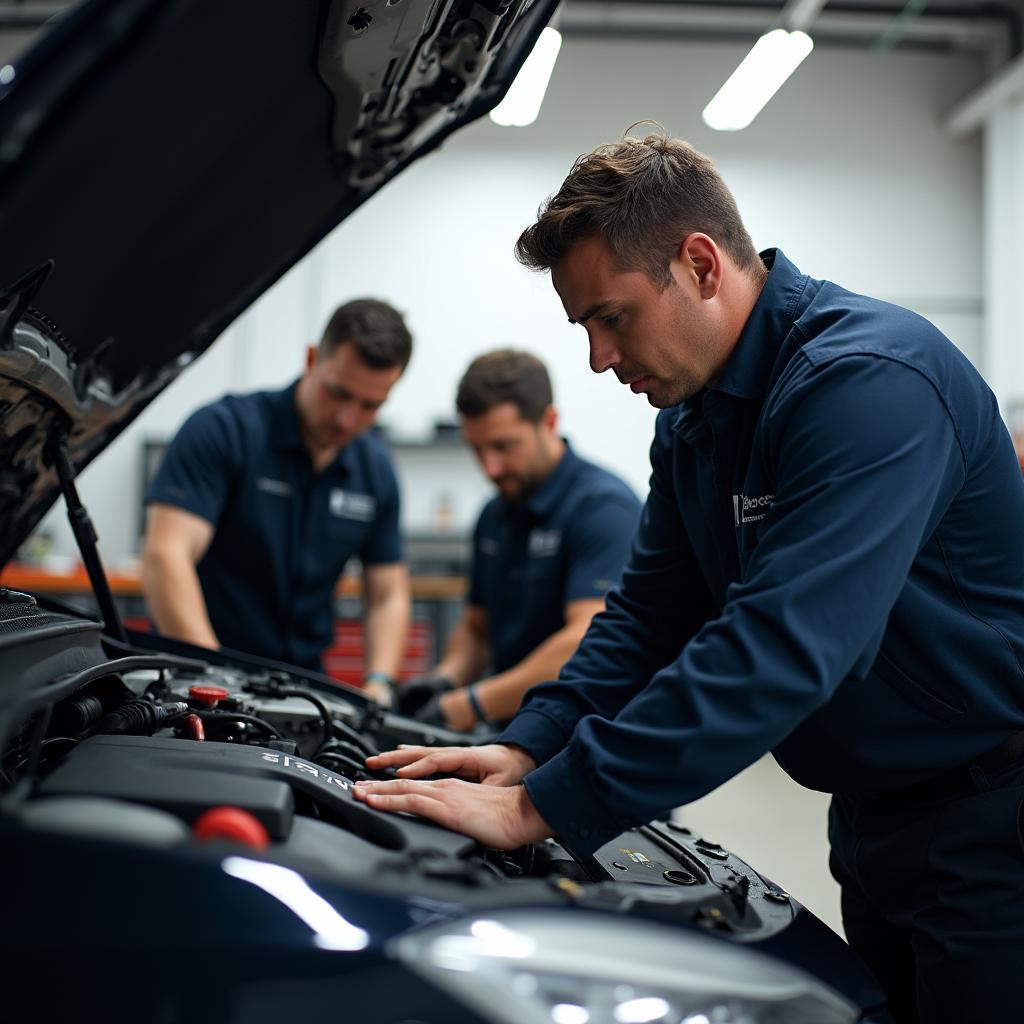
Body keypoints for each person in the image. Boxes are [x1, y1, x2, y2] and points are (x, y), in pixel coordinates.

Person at [353, 133, 1024, 1023]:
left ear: (700, 264)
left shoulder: (868, 382)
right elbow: (649, 615)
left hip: (991, 818)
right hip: (873, 816)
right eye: (583, 326)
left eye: (612, 317)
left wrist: (545, 806)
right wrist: (531, 744)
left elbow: (780, 648)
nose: (597, 357)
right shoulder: (697, 420)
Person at [142, 298, 412, 697]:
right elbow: (166, 555)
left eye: (370, 406)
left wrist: (379, 682)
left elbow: (387, 593)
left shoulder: (376, 471)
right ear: (312, 358)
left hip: (304, 690)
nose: (347, 418)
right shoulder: (224, 430)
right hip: (203, 676)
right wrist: (213, 678)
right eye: (338, 393)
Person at [399, 349, 641, 731]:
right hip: (511, 729)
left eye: (503, 446)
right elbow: (478, 628)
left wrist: (472, 703)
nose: (489, 467)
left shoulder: (603, 508)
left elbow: (586, 638)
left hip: (586, 731)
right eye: (477, 449)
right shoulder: (494, 516)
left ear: (549, 421)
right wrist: (445, 679)